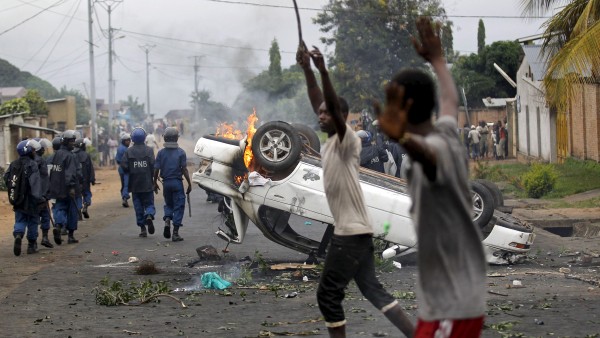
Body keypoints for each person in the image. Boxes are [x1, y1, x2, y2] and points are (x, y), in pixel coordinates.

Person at [376, 17, 487, 337]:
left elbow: (431, 161)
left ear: (405, 107)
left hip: (452, 301)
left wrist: (403, 139)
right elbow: (450, 101)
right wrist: (438, 61)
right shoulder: (447, 132)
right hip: (454, 295)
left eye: (391, 103)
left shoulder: (429, 152)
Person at [297, 46, 414, 338]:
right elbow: (318, 100)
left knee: (328, 295)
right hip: (357, 231)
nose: (320, 115)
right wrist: (307, 70)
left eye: (327, 113)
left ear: (341, 115)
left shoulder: (346, 140)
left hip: (349, 233)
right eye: (320, 112)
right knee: (373, 289)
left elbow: (331, 109)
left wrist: (323, 70)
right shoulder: (329, 143)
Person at [4, 140, 43, 256]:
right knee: (32, 221)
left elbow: (6, 178)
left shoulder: (13, 164)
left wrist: (15, 191)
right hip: (31, 200)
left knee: (20, 219)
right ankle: (31, 245)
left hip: (18, 199)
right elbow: (35, 183)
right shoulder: (33, 164)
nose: (34, 151)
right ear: (29, 151)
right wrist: (39, 198)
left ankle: (18, 235)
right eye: (32, 150)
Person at [153, 127, 192, 242]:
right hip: (177, 183)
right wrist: (189, 183)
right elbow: (184, 169)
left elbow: (156, 170)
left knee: (168, 204)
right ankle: (175, 233)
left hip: (166, 183)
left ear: (165, 138)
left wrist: (154, 182)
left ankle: (167, 220)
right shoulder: (181, 152)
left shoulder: (160, 153)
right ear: (176, 139)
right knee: (179, 206)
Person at [122, 127, 156, 238]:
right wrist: (154, 180)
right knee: (149, 204)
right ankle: (149, 215)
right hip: (147, 184)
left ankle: (142, 228)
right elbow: (153, 166)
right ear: (144, 138)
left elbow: (124, 167)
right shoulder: (149, 150)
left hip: (135, 185)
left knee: (138, 206)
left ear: (132, 139)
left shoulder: (128, 151)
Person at [48, 130, 81, 244]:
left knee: (60, 208)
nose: (73, 143)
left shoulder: (56, 155)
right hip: (68, 189)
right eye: (71, 141)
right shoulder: (70, 156)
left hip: (56, 188)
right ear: (65, 142)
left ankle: (58, 226)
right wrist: (71, 187)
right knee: (72, 212)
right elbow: (70, 173)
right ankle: (71, 236)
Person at [33, 138, 53, 249]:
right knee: (45, 216)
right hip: (41, 196)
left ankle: (33, 242)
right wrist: (46, 195)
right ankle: (45, 237)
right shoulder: (41, 162)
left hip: (31, 197)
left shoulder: (28, 162)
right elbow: (45, 180)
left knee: (34, 219)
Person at [73, 138, 95, 218]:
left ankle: (78, 210)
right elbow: (90, 168)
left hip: (75, 180)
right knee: (87, 193)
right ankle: (86, 205)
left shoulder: (71, 154)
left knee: (77, 195)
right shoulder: (86, 155)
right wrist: (92, 179)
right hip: (85, 179)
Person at [116, 133, 131, 207]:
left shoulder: (119, 148)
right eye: (127, 141)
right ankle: (125, 197)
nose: (128, 142)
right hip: (126, 169)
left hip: (121, 169)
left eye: (129, 140)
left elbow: (117, 160)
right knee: (126, 184)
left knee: (123, 184)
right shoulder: (126, 149)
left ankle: (124, 198)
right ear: (123, 141)